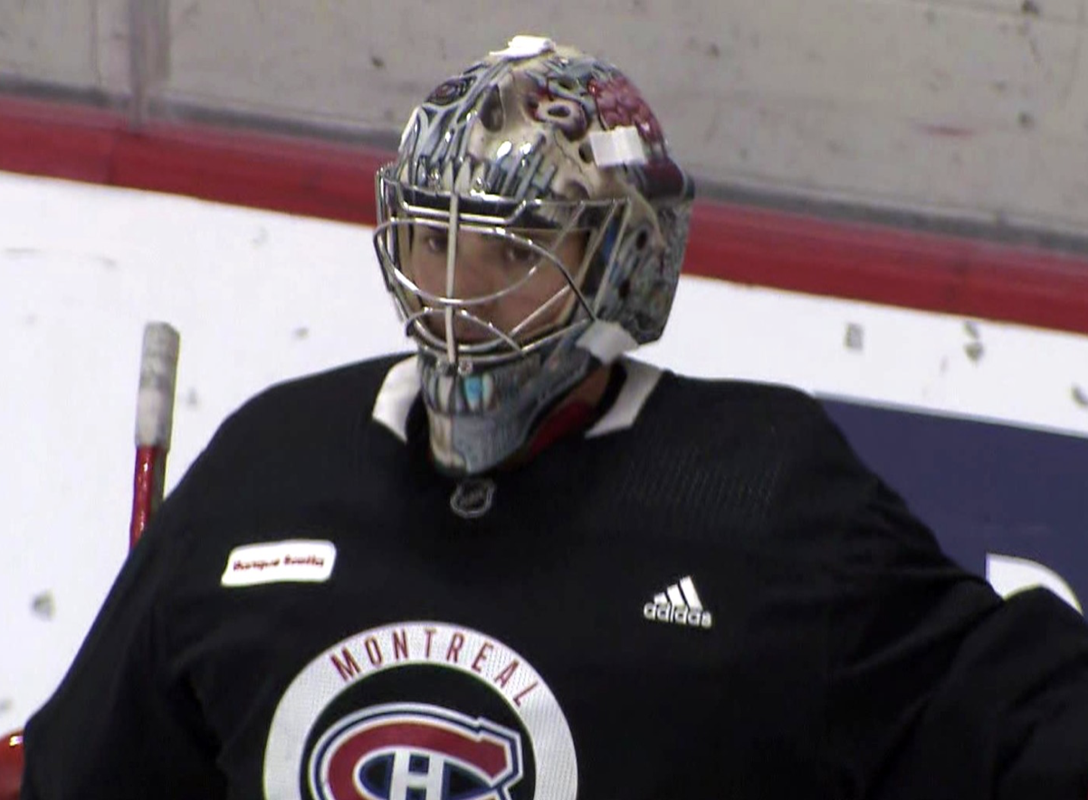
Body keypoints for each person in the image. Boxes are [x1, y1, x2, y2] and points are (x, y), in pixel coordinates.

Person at [19, 35, 1088, 800]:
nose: (456, 296)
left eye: (510, 254)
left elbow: (1013, 720)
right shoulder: (271, 463)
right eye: (432, 242)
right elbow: (85, 765)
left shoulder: (760, 494)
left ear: (626, 261)